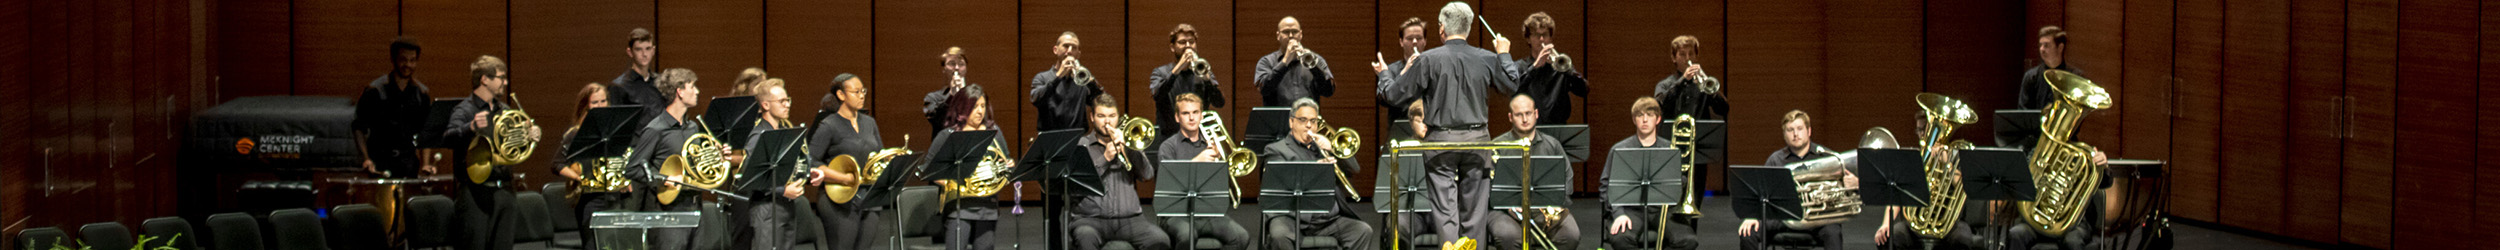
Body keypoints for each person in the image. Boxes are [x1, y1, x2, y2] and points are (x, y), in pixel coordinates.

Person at [1379, 2, 1518, 241]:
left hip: (1440, 142)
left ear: (1442, 29)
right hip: (1477, 141)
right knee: (1475, 212)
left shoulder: (1428, 59)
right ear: (1469, 28)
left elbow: (1393, 96)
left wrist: (1384, 74)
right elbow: (1513, 83)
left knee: (1445, 212)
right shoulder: (1486, 58)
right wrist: (1503, 53)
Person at [624, 68, 723, 250]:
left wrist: (717, 157)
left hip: (695, 205)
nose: (697, 91)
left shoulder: (693, 127)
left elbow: (697, 165)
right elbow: (633, 168)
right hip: (669, 212)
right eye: (692, 87)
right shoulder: (656, 129)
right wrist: (662, 178)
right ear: (680, 91)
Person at [1258, 98, 1376, 250]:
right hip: (1291, 216)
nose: (1309, 125)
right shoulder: (1276, 149)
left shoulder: (1323, 148)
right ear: (1291, 122)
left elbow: (1355, 168)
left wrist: (1333, 148)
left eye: (1313, 121)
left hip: (1327, 219)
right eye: (1303, 120)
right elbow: (1282, 179)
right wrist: (1315, 170)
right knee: (1279, 236)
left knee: (1362, 231)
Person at [443, 55, 532, 250]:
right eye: (501, 77)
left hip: (505, 190)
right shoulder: (464, 110)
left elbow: (512, 148)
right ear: (484, 79)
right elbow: (447, 137)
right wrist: (471, 127)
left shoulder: (505, 110)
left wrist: (528, 135)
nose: (505, 82)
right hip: (476, 193)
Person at [1066, 94, 1173, 250]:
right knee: (1085, 238)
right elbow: (1075, 186)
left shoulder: (1128, 142)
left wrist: (1131, 149)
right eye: (1101, 116)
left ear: (1118, 118)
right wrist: (1105, 158)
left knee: (1160, 240)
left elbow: (1148, 175)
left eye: (1112, 116)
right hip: (1090, 220)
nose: (1107, 121)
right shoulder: (1081, 146)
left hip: (1130, 220)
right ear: (1092, 117)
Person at [1876, 110, 1993, 250]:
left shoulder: (1954, 157)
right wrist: (1886, 223)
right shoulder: (1911, 159)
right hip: (1914, 223)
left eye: (1924, 129)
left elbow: (1963, 187)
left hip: (1949, 222)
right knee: (1890, 238)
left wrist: (1946, 163)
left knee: (1962, 239)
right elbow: (1896, 194)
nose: (1921, 134)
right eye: (1918, 130)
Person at [1153, 93, 1253, 250]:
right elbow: (1168, 184)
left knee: (1241, 237)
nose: (1191, 118)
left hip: (1207, 212)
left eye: (1195, 113)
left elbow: (1221, 188)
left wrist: (1220, 165)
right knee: (1187, 236)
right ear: (1177, 118)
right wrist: (1196, 162)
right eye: (1186, 113)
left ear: (1201, 115)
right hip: (1176, 213)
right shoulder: (1168, 147)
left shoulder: (1212, 144)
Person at [1738, 110, 1848, 250]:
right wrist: (1752, 216)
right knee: (1748, 233)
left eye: (1800, 129)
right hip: (1781, 218)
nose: (1795, 134)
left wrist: (1848, 184)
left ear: (1809, 131)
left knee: (1833, 232)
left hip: (1817, 218)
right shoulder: (1775, 160)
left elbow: (1843, 193)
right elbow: (1761, 194)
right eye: (1790, 130)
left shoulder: (1827, 157)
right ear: (1784, 135)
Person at [1601, 97, 1698, 250]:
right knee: (1621, 239)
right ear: (1634, 120)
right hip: (1631, 209)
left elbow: (1680, 183)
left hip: (1663, 209)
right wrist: (1618, 214)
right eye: (1640, 115)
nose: (1645, 120)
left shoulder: (1671, 150)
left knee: (1688, 240)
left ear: (1658, 119)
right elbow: (1606, 186)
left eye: (1650, 115)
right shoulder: (1620, 149)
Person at [1485, 94, 1577, 250]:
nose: (1525, 119)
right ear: (1510, 117)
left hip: (1544, 208)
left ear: (1536, 114)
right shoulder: (1497, 145)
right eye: (1519, 115)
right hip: (1506, 211)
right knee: (1508, 237)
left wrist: (1556, 203)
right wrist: (1507, 207)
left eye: (1528, 113)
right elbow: (1485, 186)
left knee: (1570, 236)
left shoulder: (1552, 145)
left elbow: (1567, 179)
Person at [807, 73, 883, 250]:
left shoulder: (869, 123)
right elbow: (811, 161)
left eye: (863, 91)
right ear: (841, 95)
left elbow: (878, 155)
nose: (862, 95)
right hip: (839, 200)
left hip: (868, 197)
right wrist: (844, 178)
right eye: (856, 92)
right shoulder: (829, 125)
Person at [738, 77, 809, 250]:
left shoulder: (783, 131)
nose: (787, 104)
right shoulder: (759, 135)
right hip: (766, 207)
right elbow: (754, 177)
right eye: (782, 101)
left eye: (788, 100)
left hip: (785, 205)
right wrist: (784, 190)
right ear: (765, 105)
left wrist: (810, 172)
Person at [933, 85, 1006, 250]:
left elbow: (1005, 162)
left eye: (982, 106)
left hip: (988, 206)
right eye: (974, 106)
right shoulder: (948, 135)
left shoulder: (994, 132)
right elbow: (930, 170)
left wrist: (1005, 168)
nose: (980, 111)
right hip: (959, 207)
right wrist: (954, 185)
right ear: (962, 108)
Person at [555, 82, 625, 250]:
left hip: (614, 197)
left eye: (603, 101)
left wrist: (623, 179)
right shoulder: (576, 133)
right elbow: (556, 163)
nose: (600, 106)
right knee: (593, 245)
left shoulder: (613, 132)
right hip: (590, 199)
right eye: (595, 103)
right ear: (585, 105)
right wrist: (579, 177)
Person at [354, 36, 433, 178]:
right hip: (380, 163)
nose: (408, 64)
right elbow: (358, 128)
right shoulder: (375, 91)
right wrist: (366, 159)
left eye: (412, 60)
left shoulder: (421, 93)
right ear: (393, 59)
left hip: (409, 165)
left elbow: (425, 131)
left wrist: (426, 163)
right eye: (403, 59)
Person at [1502, 13, 1589, 125]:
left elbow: (1583, 90)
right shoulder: (1519, 67)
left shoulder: (1561, 66)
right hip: (1528, 128)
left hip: (1558, 127)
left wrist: (1567, 71)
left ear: (1551, 38)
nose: (1542, 39)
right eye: (1537, 35)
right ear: (1528, 39)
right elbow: (1512, 92)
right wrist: (1534, 67)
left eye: (1545, 35)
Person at [1150, 24, 1227, 140]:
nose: (1188, 46)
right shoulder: (1160, 72)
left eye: (1191, 42)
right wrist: (1178, 68)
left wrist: (1206, 78)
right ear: (1172, 47)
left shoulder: (1203, 71)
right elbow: (1157, 95)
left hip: (1199, 139)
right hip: (1169, 139)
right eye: (1182, 42)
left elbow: (1219, 102)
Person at [1253, 16, 1336, 106]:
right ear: (1278, 36)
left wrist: (1313, 67)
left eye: (1295, 32)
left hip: (1307, 118)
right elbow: (1264, 90)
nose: (1291, 36)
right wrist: (1285, 61)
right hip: (1277, 119)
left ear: (1300, 34)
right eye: (1286, 32)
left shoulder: (1316, 60)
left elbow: (1328, 91)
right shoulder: (1266, 62)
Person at [1034, 32, 1106, 132]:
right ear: (1055, 50)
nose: (1069, 51)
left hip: (1078, 139)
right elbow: (1036, 100)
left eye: (1074, 48)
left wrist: (1091, 82)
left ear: (1078, 54)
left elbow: (1102, 103)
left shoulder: (1082, 80)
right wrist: (1058, 76)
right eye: (1066, 46)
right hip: (1050, 139)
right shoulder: (1042, 77)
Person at [1650, 35, 1728, 120]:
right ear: (1674, 58)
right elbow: (1657, 106)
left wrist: (1711, 90)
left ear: (1696, 56)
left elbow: (1723, 110)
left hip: (1699, 132)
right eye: (1682, 54)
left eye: (1691, 54)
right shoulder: (1665, 84)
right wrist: (1683, 80)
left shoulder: (1702, 84)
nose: (1687, 58)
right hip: (1672, 132)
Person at [1373, 17, 1429, 120]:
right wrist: (1405, 71)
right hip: (1399, 130)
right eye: (1409, 38)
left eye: (1419, 38)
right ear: (1401, 42)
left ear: (1425, 41)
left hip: (1427, 130)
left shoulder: (1432, 68)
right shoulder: (1390, 70)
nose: (1415, 42)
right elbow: (1384, 100)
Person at [612, 28, 667, 122]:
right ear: (630, 52)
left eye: (648, 49)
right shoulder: (619, 86)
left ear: (653, 51)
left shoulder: (662, 82)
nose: (644, 54)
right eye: (638, 49)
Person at [924, 47, 974, 138]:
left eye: (961, 64)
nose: (957, 68)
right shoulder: (932, 98)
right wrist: (952, 96)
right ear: (944, 69)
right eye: (952, 64)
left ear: (966, 68)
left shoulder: (975, 96)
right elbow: (939, 122)